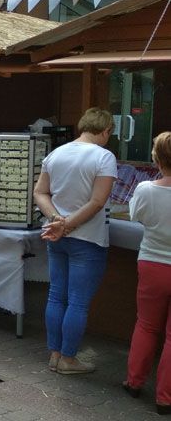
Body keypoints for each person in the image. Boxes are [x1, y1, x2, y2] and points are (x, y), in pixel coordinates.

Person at [35, 107, 117, 375]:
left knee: (56, 295)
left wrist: (57, 220)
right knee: (78, 302)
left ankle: (54, 354)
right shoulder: (104, 157)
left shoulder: (56, 153)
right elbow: (97, 201)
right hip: (88, 238)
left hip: (56, 236)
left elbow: (40, 192)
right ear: (105, 131)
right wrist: (67, 224)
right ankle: (68, 359)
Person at [123, 132, 171, 414]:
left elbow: (135, 217)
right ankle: (165, 398)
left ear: (156, 157)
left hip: (152, 263)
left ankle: (134, 382)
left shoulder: (145, 189)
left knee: (146, 325)